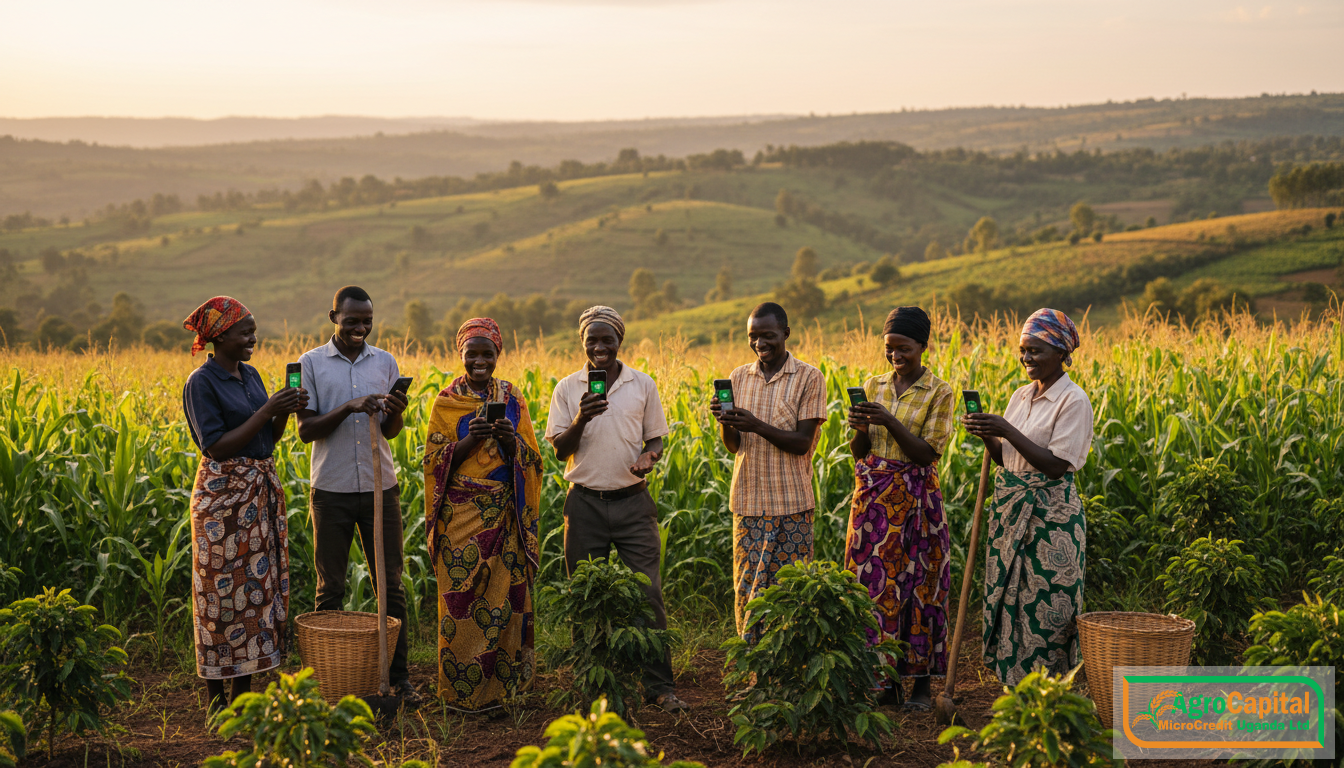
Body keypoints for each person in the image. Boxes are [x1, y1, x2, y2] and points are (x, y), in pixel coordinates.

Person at [544, 306, 689, 713]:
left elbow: (656, 440)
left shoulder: (642, 385)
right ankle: (593, 687)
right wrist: (581, 417)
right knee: (586, 598)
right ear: (583, 344)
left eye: (607, 340)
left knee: (648, 595)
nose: (600, 347)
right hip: (585, 504)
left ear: (619, 341)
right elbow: (560, 451)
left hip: (633, 504)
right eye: (592, 340)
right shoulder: (568, 388)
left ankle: (660, 687)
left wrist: (650, 458)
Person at [181, 296, 308, 714]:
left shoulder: (250, 375)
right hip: (223, 501)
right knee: (220, 595)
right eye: (245, 332)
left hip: (257, 491)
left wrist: (284, 411)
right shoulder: (201, 383)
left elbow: (266, 441)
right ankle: (216, 699)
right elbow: (215, 447)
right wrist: (268, 407)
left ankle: (243, 697)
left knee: (253, 594)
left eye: (253, 330)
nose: (253, 338)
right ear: (219, 337)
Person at [296, 286, 419, 704]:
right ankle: (324, 681)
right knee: (330, 585)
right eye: (351, 321)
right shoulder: (311, 364)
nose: (360, 328)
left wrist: (396, 410)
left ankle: (398, 678)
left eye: (367, 320)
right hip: (331, 489)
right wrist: (350, 406)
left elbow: (388, 431)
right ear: (334, 317)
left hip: (380, 486)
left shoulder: (384, 361)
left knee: (392, 585)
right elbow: (305, 430)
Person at [963, 308, 1094, 686]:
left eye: (1035, 351)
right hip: (1012, 508)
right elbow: (1006, 458)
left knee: (1049, 605)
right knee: (1011, 599)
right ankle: (1013, 687)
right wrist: (988, 432)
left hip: (1051, 516)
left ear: (1061, 352)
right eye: (1023, 350)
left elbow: (1056, 466)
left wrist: (1006, 428)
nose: (1026, 359)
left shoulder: (1073, 401)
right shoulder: (1021, 396)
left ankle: (1049, 691)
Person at [423, 318, 543, 711]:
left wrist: (511, 442)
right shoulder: (445, 402)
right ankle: (460, 692)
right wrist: (470, 438)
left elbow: (532, 461)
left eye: (486, 354)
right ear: (459, 354)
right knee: (459, 604)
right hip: (458, 519)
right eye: (471, 353)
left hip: (503, 516)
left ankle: (504, 693)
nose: (479, 361)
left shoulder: (513, 399)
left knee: (505, 606)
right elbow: (432, 463)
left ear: (498, 356)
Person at [844, 306, 956, 711]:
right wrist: (860, 427)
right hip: (874, 504)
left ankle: (923, 685)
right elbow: (860, 451)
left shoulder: (940, 392)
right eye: (889, 348)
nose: (895, 356)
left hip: (917, 503)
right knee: (876, 588)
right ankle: (885, 683)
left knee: (921, 587)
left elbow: (927, 454)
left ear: (922, 346)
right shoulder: (873, 385)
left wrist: (889, 420)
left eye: (903, 348)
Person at [709, 302, 826, 640]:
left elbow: (803, 442)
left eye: (768, 335)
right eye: (753, 336)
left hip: (791, 504)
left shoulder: (809, 377)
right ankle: (752, 673)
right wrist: (725, 421)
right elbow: (733, 445)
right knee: (746, 592)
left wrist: (756, 424)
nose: (760, 343)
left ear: (786, 334)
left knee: (789, 593)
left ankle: (786, 673)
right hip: (747, 502)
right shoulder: (738, 377)